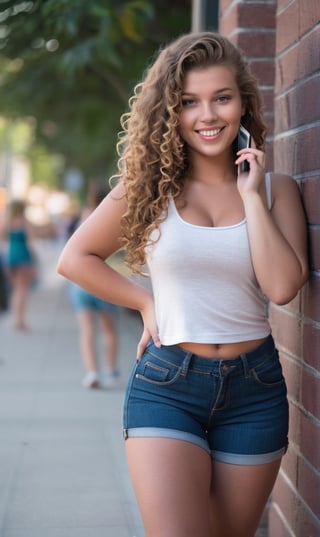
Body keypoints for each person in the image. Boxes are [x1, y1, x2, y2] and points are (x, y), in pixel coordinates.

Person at [57, 32, 308, 537]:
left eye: (222, 98)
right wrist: (144, 302)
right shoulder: (147, 191)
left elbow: (283, 288)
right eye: (189, 102)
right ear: (171, 111)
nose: (207, 115)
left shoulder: (277, 190)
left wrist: (252, 198)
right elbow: (75, 258)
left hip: (254, 389)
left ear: (243, 103)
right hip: (168, 384)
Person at [68, 182, 119, 389]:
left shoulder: (86, 215)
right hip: (105, 280)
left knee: (87, 329)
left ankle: (92, 372)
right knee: (109, 330)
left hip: (82, 282)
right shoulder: (112, 215)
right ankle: (111, 371)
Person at [5, 199, 38, 330]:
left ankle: (16, 319)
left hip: (11, 257)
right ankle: (20, 320)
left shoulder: (7, 222)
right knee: (22, 290)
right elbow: (31, 241)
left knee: (15, 290)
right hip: (23, 257)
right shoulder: (24, 222)